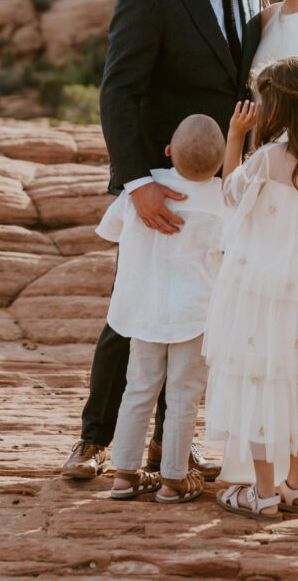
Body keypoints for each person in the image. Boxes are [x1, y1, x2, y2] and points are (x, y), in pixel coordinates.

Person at [62, 0, 269, 479]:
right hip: (159, 184)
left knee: (201, 314)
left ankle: (167, 445)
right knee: (134, 312)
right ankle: (96, 439)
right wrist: (135, 183)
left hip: (225, 189)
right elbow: (118, 94)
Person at [205, 57, 298, 520]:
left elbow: (229, 196)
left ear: (276, 107)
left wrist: (235, 136)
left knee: (260, 381)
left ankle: (262, 493)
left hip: (258, 291)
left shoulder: (267, 159)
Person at [97, 114, 226, 503]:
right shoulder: (221, 198)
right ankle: (172, 480)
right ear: (220, 162)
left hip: (146, 310)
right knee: (184, 397)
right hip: (195, 315)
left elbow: (109, 230)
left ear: (168, 150)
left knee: (138, 390)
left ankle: (124, 474)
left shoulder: (146, 187)